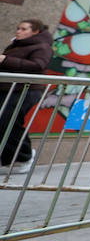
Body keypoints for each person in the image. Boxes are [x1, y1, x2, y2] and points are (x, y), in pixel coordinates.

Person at [0, 18, 54, 172]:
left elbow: (38, 65)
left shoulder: (42, 47)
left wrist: (6, 59)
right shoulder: (16, 45)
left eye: (24, 29)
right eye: (18, 28)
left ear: (35, 31)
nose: (18, 31)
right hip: (8, 89)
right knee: (6, 122)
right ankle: (12, 158)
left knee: (8, 122)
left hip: (26, 90)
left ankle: (24, 157)